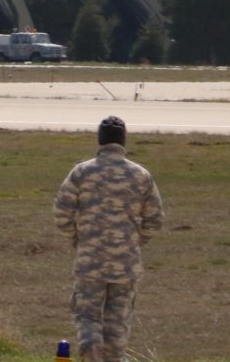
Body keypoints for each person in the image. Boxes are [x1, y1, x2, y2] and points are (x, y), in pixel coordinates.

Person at [52, 116, 164, 362]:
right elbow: (155, 220)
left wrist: (78, 240)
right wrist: (133, 243)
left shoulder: (81, 172)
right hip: (125, 264)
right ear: (123, 141)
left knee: (88, 317)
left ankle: (91, 350)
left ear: (99, 140)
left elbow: (62, 213)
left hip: (90, 261)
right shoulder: (140, 174)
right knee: (118, 323)